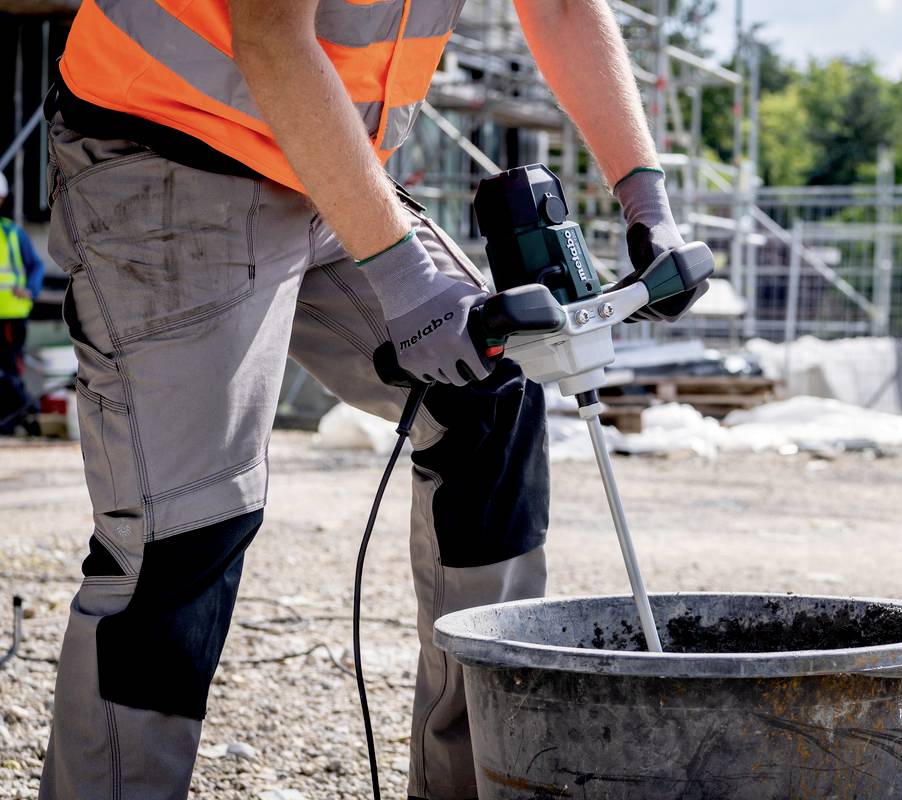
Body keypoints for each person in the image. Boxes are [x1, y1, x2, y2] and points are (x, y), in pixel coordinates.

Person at [38, 1, 707, 799]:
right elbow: (268, 33)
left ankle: (468, 780)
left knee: (487, 402)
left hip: (326, 162)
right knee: (179, 533)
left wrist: (648, 204)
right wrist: (401, 276)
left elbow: (563, 6)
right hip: (166, 151)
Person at [0, 171, 46, 435]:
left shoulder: (12, 234)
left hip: (9, 316)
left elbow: (36, 266)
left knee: (9, 372)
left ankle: (16, 419)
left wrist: (30, 290)